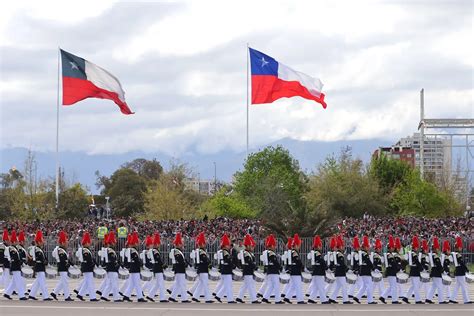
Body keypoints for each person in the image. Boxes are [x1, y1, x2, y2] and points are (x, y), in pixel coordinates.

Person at [28, 230, 53, 301]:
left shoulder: (39, 249)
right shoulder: (38, 250)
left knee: (38, 282)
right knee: (42, 282)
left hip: (40, 267)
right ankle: (45, 296)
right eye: (42, 240)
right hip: (39, 267)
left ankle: (31, 295)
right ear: (38, 242)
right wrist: (46, 263)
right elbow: (42, 259)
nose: (43, 242)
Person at [3, 230, 27, 300]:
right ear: (13, 242)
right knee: (18, 281)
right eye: (16, 241)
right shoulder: (12, 248)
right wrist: (20, 262)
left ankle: (7, 293)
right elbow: (14, 258)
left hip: (16, 266)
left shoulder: (15, 248)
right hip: (15, 266)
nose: (17, 242)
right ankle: (21, 295)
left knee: (14, 281)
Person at [401, 236, 426, 304]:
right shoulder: (414, 254)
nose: (417, 248)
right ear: (415, 247)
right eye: (417, 247)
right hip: (415, 271)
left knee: (413, 286)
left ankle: (406, 297)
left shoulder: (409, 253)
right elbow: (417, 263)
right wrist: (422, 269)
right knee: (416, 286)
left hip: (412, 270)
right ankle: (418, 300)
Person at [236, 234, 260, 304]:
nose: (252, 247)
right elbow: (249, 263)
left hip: (249, 271)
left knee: (245, 285)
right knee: (251, 286)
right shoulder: (246, 253)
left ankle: (239, 297)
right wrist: (255, 267)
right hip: (247, 271)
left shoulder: (249, 253)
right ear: (248, 246)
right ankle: (254, 299)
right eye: (251, 246)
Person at [123, 232, 146, 302]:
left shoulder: (131, 250)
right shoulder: (133, 251)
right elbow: (136, 260)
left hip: (132, 269)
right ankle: (140, 297)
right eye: (137, 242)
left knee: (132, 284)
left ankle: (126, 296)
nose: (138, 243)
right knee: (137, 284)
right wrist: (141, 264)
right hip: (135, 269)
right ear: (135, 243)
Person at [51, 231, 74, 301]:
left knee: (62, 281)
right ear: (62, 243)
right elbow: (63, 259)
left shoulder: (62, 250)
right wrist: (68, 264)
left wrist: (72, 263)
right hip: (62, 267)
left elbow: (66, 259)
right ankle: (67, 296)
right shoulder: (60, 250)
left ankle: (54, 293)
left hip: (63, 267)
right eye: (66, 242)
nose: (67, 244)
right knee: (65, 282)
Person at [329, 235, 352, 304]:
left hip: (337, 272)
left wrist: (330, 268)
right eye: (343, 246)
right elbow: (342, 264)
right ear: (341, 246)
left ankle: (332, 298)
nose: (344, 247)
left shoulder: (336, 253)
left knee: (338, 286)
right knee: (344, 286)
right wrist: (347, 269)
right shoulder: (340, 254)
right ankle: (345, 300)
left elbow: (333, 263)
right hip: (341, 272)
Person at [191, 232, 214, 303]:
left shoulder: (199, 251)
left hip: (201, 269)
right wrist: (209, 263)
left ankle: (195, 296)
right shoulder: (201, 252)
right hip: (203, 269)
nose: (205, 244)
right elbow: (205, 260)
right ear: (201, 244)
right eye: (204, 243)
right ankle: (208, 299)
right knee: (205, 284)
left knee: (201, 284)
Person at [261, 234, 284, 304]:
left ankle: (265, 297)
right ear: (272, 245)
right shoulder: (271, 253)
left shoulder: (266, 252)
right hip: (274, 271)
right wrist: (280, 268)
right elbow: (275, 262)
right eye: (274, 245)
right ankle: (278, 300)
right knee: (276, 286)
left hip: (269, 271)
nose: (275, 247)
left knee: (270, 285)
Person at [449, 237, 472, 304]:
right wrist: (466, 269)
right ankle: (466, 300)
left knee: (457, 286)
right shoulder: (458, 255)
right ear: (458, 247)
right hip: (460, 271)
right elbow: (462, 263)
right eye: (460, 247)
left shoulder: (453, 254)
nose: (461, 248)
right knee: (464, 286)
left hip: (457, 271)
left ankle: (452, 298)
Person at [307, 235, 329, 304]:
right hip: (319, 272)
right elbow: (322, 262)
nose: (321, 247)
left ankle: (311, 298)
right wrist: (326, 268)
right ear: (318, 246)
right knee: (321, 286)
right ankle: (324, 300)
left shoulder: (313, 253)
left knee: (315, 287)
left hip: (315, 272)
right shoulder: (318, 254)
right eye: (320, 245)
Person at [147, 232, 168, 303]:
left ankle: (150, 295)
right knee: (161, 284)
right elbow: (158, 260)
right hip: (158, 268)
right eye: (158, 243)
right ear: (157, 244)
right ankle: (162, 298)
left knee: (157, 284)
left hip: (155, 268)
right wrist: (163, 265)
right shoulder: (156, 251)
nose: (159, 244)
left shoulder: (152, 251)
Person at [100, 232, 122, 302]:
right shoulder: (111, 251)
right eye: (114, 242)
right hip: (112, 269)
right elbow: (113, 261)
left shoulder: (108, 250)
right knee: (114, 284)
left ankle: (104, 295)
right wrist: (118, 264)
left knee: (109, 284)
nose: (115, 243)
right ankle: (116, 298)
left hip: (110, 269)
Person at [169, 232, 190, 303]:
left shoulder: (178, 251)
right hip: (179, 269)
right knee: (182, 284)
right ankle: (184, 299)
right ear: (178, 244)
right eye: (181, 243)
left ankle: (172, 297)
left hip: (179, 269)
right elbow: (180, 261)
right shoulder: (176, 251)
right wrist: (185, 265)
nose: (182, 245)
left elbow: (183, 260)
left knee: (178, 284)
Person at [354, 236, 376, 304]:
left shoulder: (360, 253)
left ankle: (357, 297)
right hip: (366, 271)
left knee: (364, 285)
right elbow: (368, 262)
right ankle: (370, 300)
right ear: (365, 247)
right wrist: (373, 268)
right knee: (369, 285)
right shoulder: (365, 254)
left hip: (362, 271)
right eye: (367, 246)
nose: (368, 247)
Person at [77, 231, 98, 302]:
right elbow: (88, 260)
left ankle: (80, 294)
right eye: (89, 242)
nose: (90, 243)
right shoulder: (85, 250)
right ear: (86, 243)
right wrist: (93, 264)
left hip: (87, 267)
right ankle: (92, 297)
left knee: (86, 282)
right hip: (87, 268)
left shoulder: (87, 250)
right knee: (90, 282)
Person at [215, 234, 236, 303]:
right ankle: (230, 299)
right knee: (228, 285)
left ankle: (218, 295)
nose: (229, 246)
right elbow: (228, 261)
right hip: (227, 270)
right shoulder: (225, 252)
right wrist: (233, 266)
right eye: (228, 245)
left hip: (224, 270)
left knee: (226, 284)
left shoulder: (222, 252)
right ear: (225, 245)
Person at [285, 234, 306, 304]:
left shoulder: (291, 252)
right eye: (299, 245)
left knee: (293, 286)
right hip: (295, 271)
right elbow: (298, 261)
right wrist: (303, 267)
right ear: (296, 245)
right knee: (298, 286)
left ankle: (287, 297)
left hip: (293, 271)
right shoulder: (294, 252)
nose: (299, 246)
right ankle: (300, 300)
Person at [380, 236, 400, 304]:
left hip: (391, 272)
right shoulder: (390, 255)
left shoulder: (390, 254)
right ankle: (394, 300)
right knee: (393, 286)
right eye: (393, 247)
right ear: (390, 248)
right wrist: (398, 269)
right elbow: (393, 264)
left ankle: (383, 297)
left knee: (392, 286)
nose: (394, 248)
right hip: (391, 272)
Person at [426, 237, 446, 304]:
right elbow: (439, 265)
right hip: (437, 272)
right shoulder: (436, 256)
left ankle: (428, 298)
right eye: (437, 248)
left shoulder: (432, 255)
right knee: (440, 287)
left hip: (434, 271)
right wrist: (443, 271)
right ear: (436, 248)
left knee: (433, 286)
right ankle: (441, 300)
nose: (438, 249)